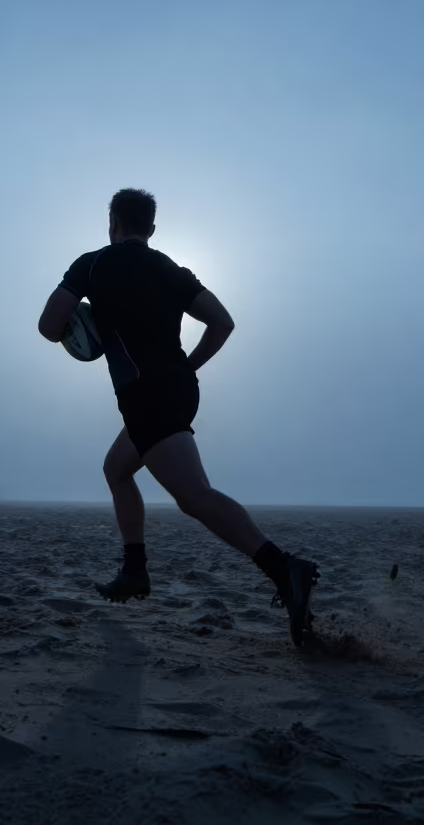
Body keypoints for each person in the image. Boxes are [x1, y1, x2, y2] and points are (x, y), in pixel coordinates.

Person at [37, 188, 320, 647]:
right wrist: (188, 365)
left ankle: (284, 568)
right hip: (180, 389)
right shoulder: (171, 269)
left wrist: (84, 322)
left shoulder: (91, 264)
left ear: (113, 223)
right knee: (117, 468)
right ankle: (134, 569)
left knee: (194, 497)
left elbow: (49, 327)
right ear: (150, 228)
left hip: (145, 394)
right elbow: (223, 322)